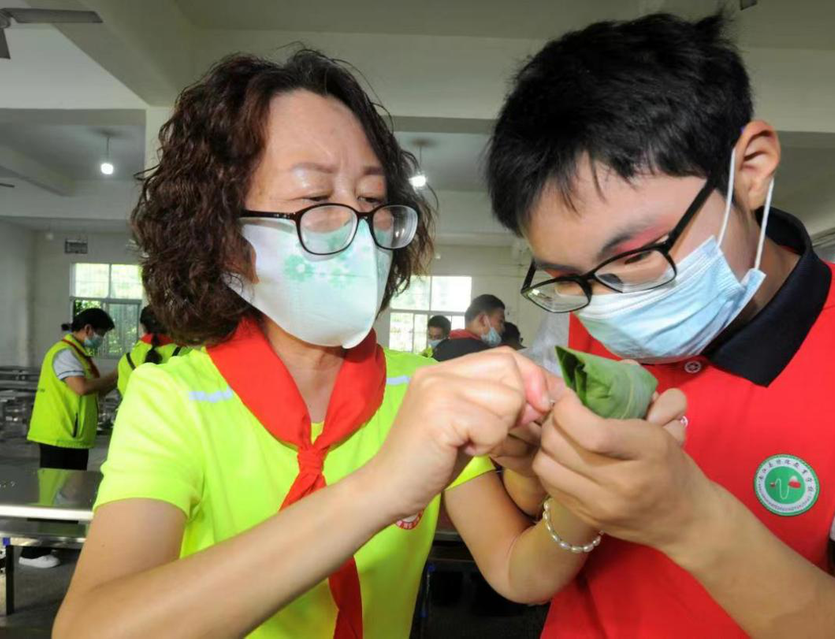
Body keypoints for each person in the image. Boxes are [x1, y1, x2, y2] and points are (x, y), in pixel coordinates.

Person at [54, 50, 617, 638]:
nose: (358, 234)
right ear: (225, 238)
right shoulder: (173, 400)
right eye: (314, 202)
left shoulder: (420, 389)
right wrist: (380, 488)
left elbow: (515, 571)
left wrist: (589, 491)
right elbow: (91, 628)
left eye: (372, 202)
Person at [484, 12, 835, 638]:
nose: (605, 303)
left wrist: (690, 521)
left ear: (750, 168)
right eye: (569, 277)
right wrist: (528, 465)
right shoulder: (580, 323)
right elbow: (537, 514)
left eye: (637, 255)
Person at [22, 308, 118, 568]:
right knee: (53, 492)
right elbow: (81, 387)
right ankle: (31, 552)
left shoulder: (80, 355)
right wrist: (116, 374)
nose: (101, 339)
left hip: (73, 435)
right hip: (58, 434)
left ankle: (57, 540)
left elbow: (94, 394)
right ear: (87, 329)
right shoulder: (64, 353)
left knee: (70, 492)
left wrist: (121, 376)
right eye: (101, 334)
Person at [117, 305, 190, 395]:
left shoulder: (126, 360)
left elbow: (125, 396)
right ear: (171, 325)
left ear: (143, 327)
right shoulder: (186, 355)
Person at [432, 294, 506, 361]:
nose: (503, 328)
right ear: (483, 320)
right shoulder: (485, 355)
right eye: (500, 321)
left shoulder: (441, 347)